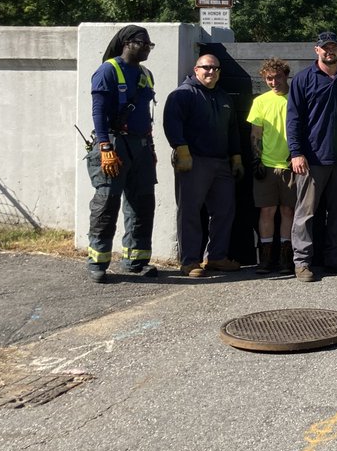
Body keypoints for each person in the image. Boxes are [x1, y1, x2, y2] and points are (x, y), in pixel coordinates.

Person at [84, 25, 158, 283]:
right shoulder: (108, 70)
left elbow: (146, 117)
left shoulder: (145, 74)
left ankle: (136, 261)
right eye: (143, 43)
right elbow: (98, 112)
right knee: (107, 204)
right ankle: (98, 261)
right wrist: (105, 147)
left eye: (150, 45)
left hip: (141, 146)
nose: (148, 48)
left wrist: (151, 148)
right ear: (128, 42)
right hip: (114, 144)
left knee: (142, 204)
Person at [286, 31, 337, 282]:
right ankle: (302, 262)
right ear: (316, 50)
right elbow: (293, 119)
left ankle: (334, 259)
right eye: (325, 47)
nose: (330, 51)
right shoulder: (303, 79)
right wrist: (296, 152)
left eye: (334, 47)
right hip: (311, 160)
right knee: (305, 214)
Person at [163, 53, 243, 277]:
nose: (211, 72)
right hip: (194, 161)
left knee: (225, 211)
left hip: (221, 163)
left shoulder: (224, 97)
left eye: (216, 69)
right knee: (189, 210)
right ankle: (189, 261)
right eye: (207, 68)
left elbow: (233, 129)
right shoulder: (182, 94)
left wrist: (236, 156)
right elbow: (172, 122)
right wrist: (181, 148)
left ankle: (216, 257)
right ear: (196, 69)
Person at [247, 57, 295, 275]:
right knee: (267, 211)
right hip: (267, 164)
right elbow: (256, 133)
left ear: (285, 75)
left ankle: (287, 258)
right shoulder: (261, 101)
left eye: (277, 77)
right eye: (269, 78)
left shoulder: (296, 98)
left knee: (288, 211)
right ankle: (265, 259)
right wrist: (256, 159)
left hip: (291, 165)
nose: (273, 82)